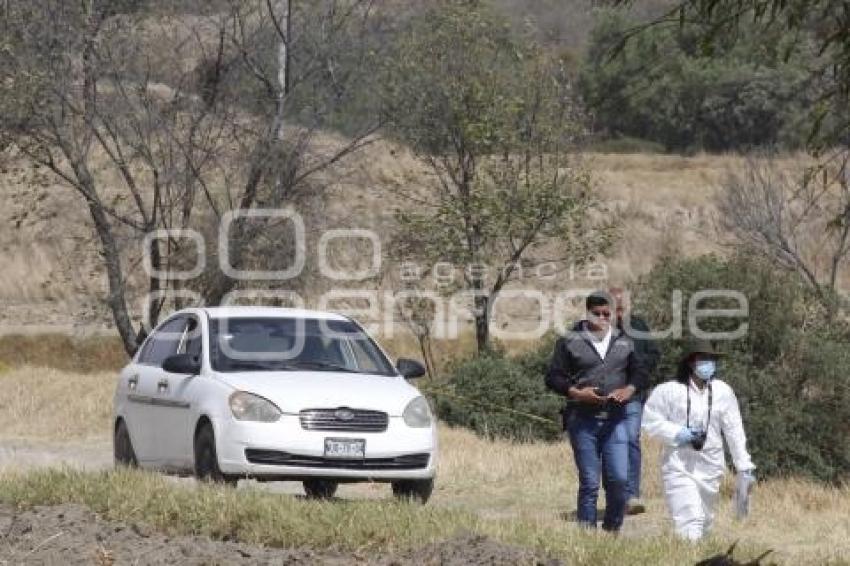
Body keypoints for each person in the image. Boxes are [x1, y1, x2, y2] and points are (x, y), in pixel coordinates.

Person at [546, 291, 647, 533]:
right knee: (590, 482)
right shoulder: (570, 340)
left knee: (619, 480)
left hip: (616, 420)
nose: (602, 318)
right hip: (582, 421)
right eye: (596, 313)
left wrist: (629, 389)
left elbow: (641, 372)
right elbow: (553, 376)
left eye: (606, 313)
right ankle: (587, 534)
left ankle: (612, 528)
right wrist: (576, 393)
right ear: (587, 313)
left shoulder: (625, 340)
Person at [642, 340, 756, 541]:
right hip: (679, 465)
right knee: (689, 518)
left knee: (704, 520)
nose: (708, 364)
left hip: (711, 466)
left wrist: (744, 465)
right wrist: (678, 432)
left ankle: (697, 557)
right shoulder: (668, 391)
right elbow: (650, 421)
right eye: (703, 359)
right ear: (690, 362)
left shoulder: (722, 391)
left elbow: (734, 430)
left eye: (711, 359)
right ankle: (689, 556)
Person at [609, 287, 660, 515]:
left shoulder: (639, 326)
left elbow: (654, 354)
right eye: (614, 308)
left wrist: (637, 375)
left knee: (631, 439)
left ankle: (632, 495)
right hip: (605, 397)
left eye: (621, 308)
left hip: (634, 396)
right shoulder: (600, 329)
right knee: (610, 443)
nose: (618, 313)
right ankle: (615, 494)